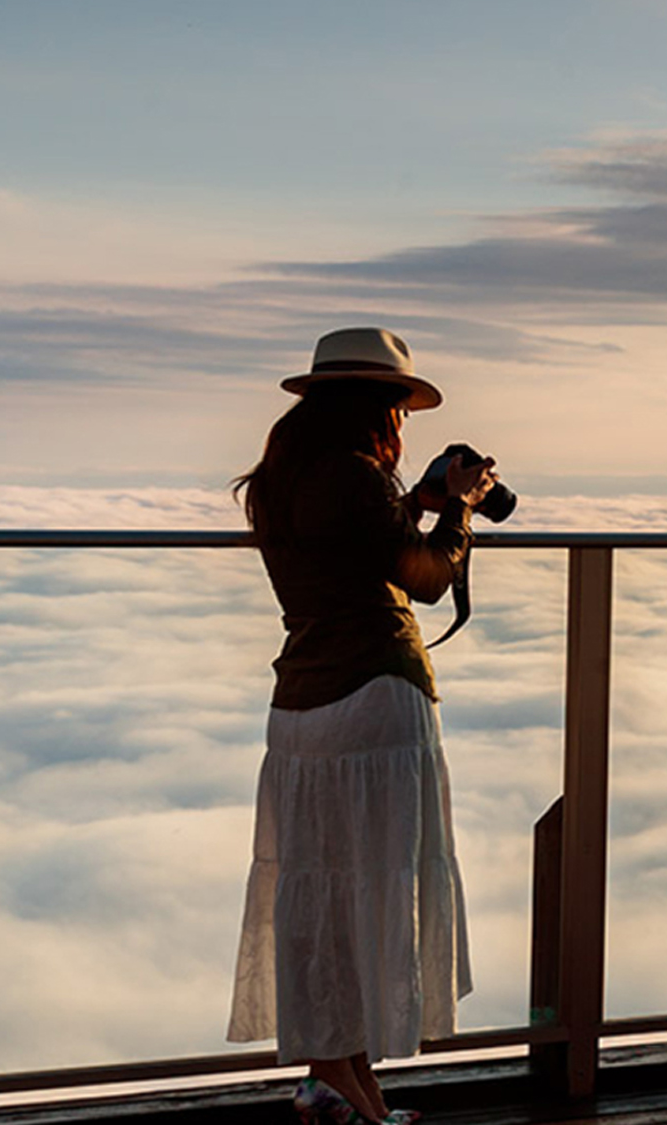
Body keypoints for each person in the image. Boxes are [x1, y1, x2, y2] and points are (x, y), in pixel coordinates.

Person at [227, 328, 497, 1125]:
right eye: (398, 410)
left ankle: (341, 1084)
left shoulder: (281, 479)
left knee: (323, 900)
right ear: (379, 410)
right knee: (368, 892)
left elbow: (344, 543)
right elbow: (425, 579)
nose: (403, 427)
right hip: (374, 698)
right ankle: (342, 1086)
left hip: (301, 713)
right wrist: (461, 512)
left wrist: (413, 501)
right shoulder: (356, 476)